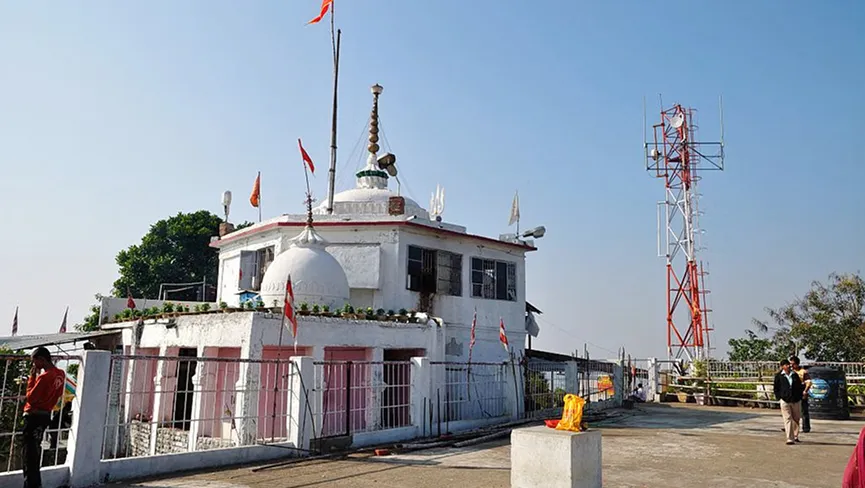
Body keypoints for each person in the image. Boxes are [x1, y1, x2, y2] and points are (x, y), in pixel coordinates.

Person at [22, 347, 66, 488]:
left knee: (29, 454)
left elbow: (31, 398)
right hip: (46, 414)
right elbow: (58, 394)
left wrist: (32, 378)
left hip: (33, 415)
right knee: (35, 450)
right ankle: (35, 484)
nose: (34, 365)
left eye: (34, 362)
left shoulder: (44, 376)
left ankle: (31, 485)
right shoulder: (60, 374)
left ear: (41, 359)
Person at [773, 358, 804, 445]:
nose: (788, 366)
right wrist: (779, 397)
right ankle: (789, 438)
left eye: (789, 365)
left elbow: (799, 386)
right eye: (786, 365)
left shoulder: (794, 375)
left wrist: (800, 395)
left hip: (796, 400)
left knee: (796, 419)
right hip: (785, 400)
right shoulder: (779, 376)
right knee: (787, 419)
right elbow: (776, 388)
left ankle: (795, 435)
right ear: (782, 366)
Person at [789, 355, 811, 433]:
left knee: (803, 411)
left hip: (801, 392)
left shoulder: (803, 372)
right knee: (790, 412)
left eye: (793, 364)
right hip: (792, 394)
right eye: (790, 364)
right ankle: (790, 427)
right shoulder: (790, 372)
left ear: (797, 364)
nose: (791, 365)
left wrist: (805, 391)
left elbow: (808, 382)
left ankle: (806, 427)